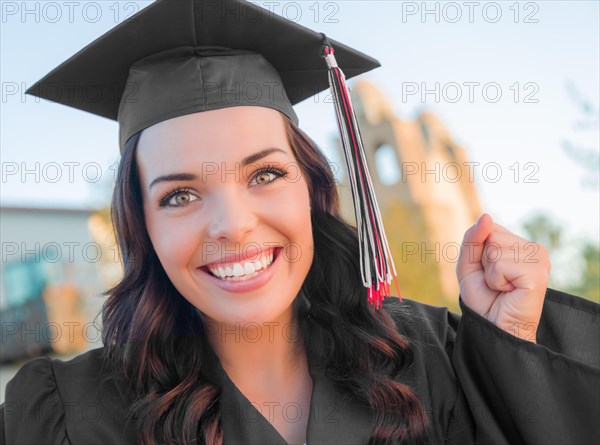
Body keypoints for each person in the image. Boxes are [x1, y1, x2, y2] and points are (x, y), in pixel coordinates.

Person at [1, 1, 599, 444]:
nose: (233, 226)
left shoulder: (430, 359)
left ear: (312, 189)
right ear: (143, 229)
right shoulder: (67, 415)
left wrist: (510, 349)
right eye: (180, 195)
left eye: (264, 175)